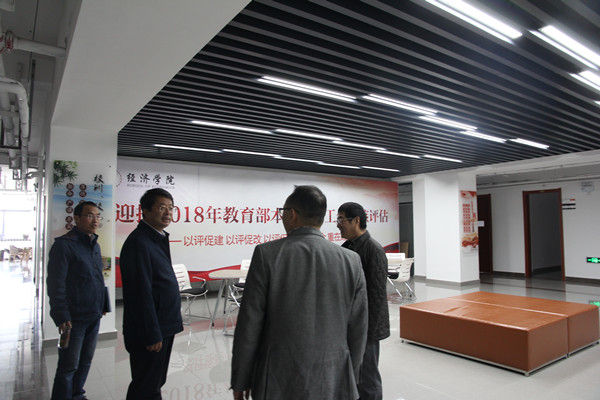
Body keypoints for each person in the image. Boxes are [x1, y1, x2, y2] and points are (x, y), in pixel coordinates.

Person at [231, 185, 368, 400]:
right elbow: (359, 327)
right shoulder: (351, 260)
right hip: (333, 377)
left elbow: (250, 324)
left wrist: (241, 378)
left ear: (292, 214)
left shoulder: (267, 255)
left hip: (278, 378)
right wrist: (350, 377)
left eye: (283, 212)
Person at [120, 188, 183, 400]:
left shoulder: (156, 238)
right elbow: (140, 293)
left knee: (154, 382)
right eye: (162, 207)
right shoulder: (139, 242)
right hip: (151, 330)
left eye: (171, 208)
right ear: (145, 211)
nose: (168, 213)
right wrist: (151, 333)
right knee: (146, 386)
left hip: (163, 324)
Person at [47, 200, 108, 400]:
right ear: (76, 218)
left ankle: (77, 394)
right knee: (68, 366)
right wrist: (61, 315)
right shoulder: (64, 246)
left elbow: (98, 278)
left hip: (93, 315)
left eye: (97, 216)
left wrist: (103, 303)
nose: (95, 220)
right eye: (90, 216)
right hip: (74, 319)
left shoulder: (95, 245)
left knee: (85, 361)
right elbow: (56, 284)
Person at [337, 202, 390, 400]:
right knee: (352, 374)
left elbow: (376, 297)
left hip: (367, 328)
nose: (338, 224)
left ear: (356, 221)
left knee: (367, 377)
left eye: (341, 219)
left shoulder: (373, 250)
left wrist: (367, 332)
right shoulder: (347, 248)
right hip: (349, 324)